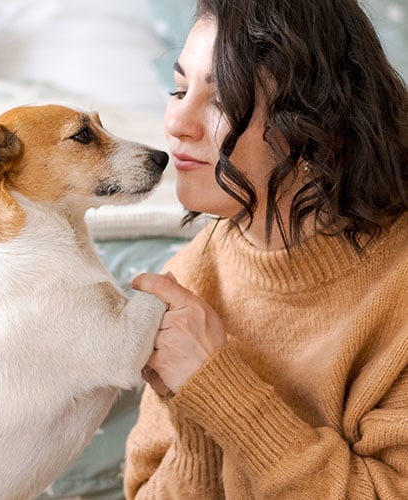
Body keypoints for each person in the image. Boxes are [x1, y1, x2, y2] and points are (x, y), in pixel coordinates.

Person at [123, 0, 408, 498]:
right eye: (180, 89)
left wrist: (220, 390)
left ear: (316, 121)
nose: (176, 124)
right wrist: (196, 424)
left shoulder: (397, 292)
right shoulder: (190, 277)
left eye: (219, 100)